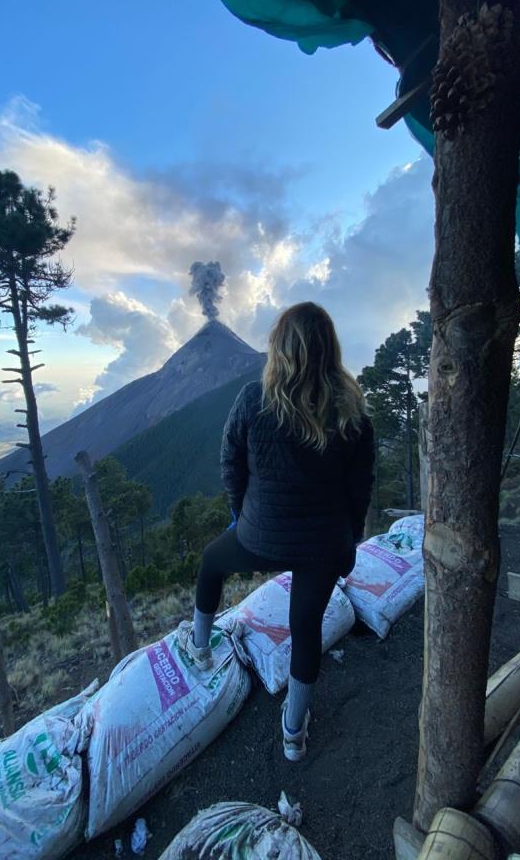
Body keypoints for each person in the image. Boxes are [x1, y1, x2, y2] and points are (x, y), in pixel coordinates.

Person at [178, 301, 374, 761]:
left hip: (258, 538)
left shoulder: (253, 399)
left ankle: (200, 649)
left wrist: (240, 516)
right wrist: (349, 541)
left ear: (280, 347)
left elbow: (230, 465)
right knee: (305, 628)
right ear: (330, 348)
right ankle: (293, 733)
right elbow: (359, 489)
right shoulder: (353, 412)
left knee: (211, 562)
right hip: (324, 546)